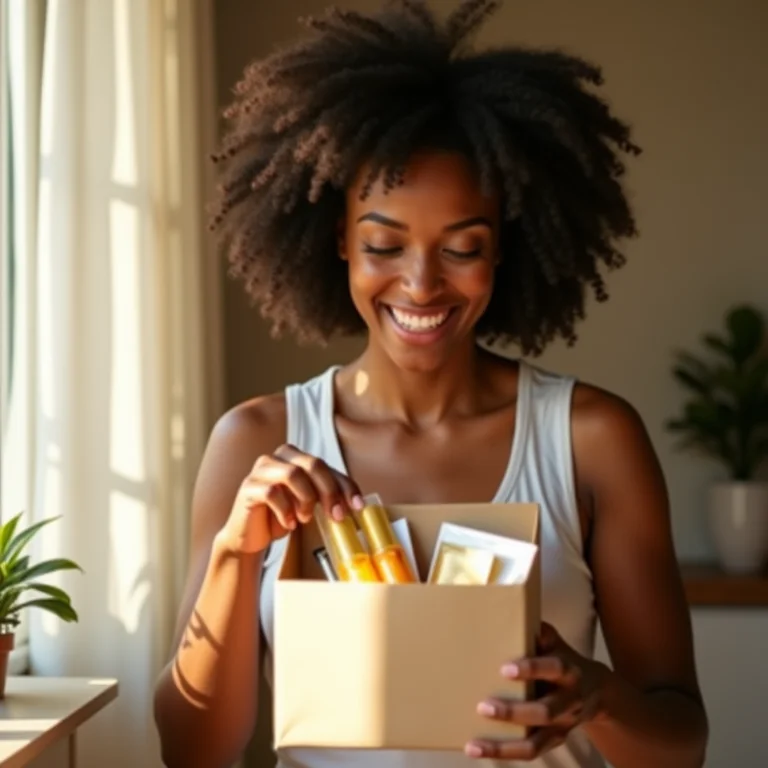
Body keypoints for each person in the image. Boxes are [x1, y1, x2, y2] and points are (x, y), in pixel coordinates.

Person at [153, 1, 709, 766]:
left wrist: (598, 695)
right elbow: (192, 753)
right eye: (384, 243)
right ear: (338, 241)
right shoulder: (258, 443)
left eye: (462, 247)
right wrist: (232, 558)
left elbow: (681, 745)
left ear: (507, 249)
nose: (420, 284)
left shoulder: (590, 439)